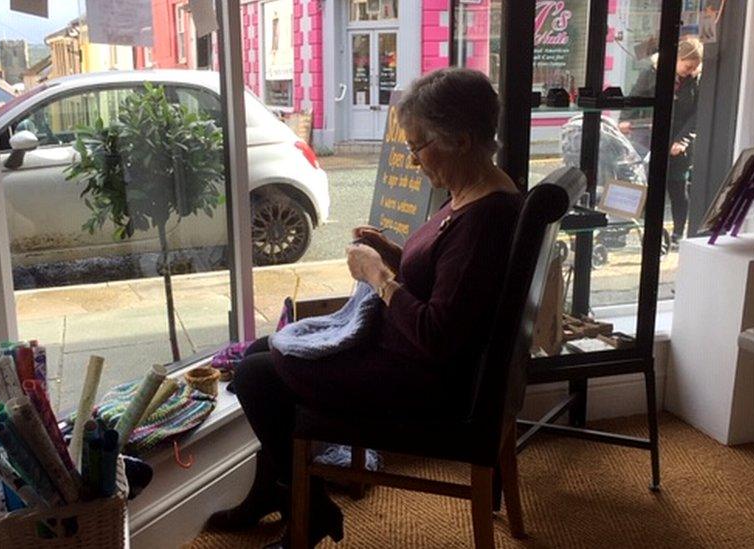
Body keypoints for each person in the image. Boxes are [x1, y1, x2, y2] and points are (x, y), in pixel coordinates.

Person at [206, 68, 523, 548]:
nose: (414, 161)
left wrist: (379, 276)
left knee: (256, 375)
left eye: (420, 147)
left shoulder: (484, 222)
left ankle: (305, 509)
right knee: (259, 352)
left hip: (429, 386)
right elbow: (448, 285)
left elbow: (437, 334)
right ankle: (275, 493)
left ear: (460, 139)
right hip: (410, 358)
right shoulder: (473, 192)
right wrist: (392, 253)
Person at [620, 37, 703, 247]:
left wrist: (682, 141)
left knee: (678, 187)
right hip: (650, 137)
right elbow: (635, 96)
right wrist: (625, 120)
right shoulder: (652, 73)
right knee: (642, 185)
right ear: (678, 59)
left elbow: (697, 115)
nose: (690, 70)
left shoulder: (696, 81)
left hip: (678, 143)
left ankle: (677, 233)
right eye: (688, 65)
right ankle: (627, 230)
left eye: (694, 67)